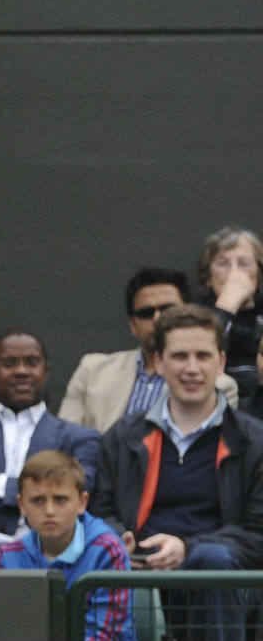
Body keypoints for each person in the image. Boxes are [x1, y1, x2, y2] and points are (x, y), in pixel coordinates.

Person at [89, 305, 263, 641]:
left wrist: (187, 547)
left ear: (221, 363)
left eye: (203, 355)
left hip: (224, 586)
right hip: (139, 578)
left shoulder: (254, 441)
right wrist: (119, 539)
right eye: (180, 356)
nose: (192, 369)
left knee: (211, 561)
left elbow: (258, 534)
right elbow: (99, 510)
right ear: (158, 362)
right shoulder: (123, 436)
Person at [0, 330, 100, 544]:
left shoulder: (80, 439)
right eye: (9, 363)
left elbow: (78, 494)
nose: (21, 371)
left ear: (46, 372)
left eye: (31, 363)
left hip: (50, 557)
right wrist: (22, 515)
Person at [59, 268, 239, 433]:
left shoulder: (218, 384)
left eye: (168, 309)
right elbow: (65, 440)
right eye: (146, 313)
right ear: (133, 325)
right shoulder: (92, 370)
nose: (157, 319)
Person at [0, 451, 135, 641]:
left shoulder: (107, 550)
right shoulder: (7, 556)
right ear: (21, 505)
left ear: (82, 502)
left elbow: (105, 634)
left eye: (60, 499)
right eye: (38, 500)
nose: (49, 511)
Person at [195, 225, 263, 398]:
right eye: (223, 264)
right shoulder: (196, 315)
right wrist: (226, 307)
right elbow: (198, 354)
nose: (234, 273)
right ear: (209, 279)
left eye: (244, 263)